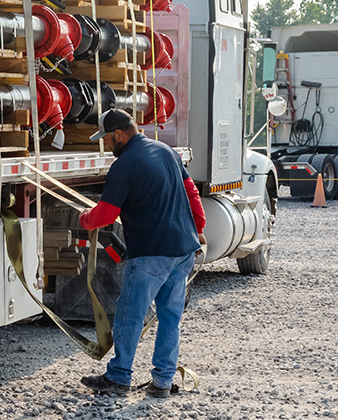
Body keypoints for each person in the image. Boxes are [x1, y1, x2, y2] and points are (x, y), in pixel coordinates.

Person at [76, 109, 206, 398]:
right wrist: (198, 228)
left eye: (106, 138)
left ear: (119, 134)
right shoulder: (167, 151)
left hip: (151, 252)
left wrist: (85, 219)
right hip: (183, 249)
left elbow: (106, 215)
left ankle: (119, 376)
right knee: (170, 318)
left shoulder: (124, 165)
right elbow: (191, 192)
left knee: (129, 316)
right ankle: (162, 382)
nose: (106, 144)